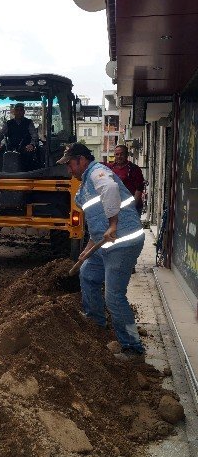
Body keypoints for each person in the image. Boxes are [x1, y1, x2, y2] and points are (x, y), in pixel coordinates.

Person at [57, 143, 145, 362]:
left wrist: (113, 224)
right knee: (87, 273)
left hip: (123, 242)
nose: (69, 170)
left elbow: (111, 189)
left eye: (70, 164)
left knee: (114, 296)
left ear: (81, 160)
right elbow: (97, 225)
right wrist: (87, 250)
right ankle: (95, 322)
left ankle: (132, 347)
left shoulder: (98, 172)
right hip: (105, 243)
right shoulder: (85, 184)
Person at [0, 103, 38, 171]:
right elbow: (0, 135)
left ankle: (26, 173)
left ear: (24, 112)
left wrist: (32, 144)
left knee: (29, 154)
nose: (19, 112)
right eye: (17, 110)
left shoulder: (29, 122)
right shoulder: (8, 123)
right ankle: (2, 170)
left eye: (21, 110)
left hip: (25, 147)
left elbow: (34, 136)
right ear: (14, 112)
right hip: (10, 148)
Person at [107, 145, 145, 214]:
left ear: (127, 155)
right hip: (115, 208)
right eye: (117, 154)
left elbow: (139, 189)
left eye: (122, 154)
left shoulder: (134, 169)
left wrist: (132, 206)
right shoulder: (110, 168)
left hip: (131, 208)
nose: (119, 156)